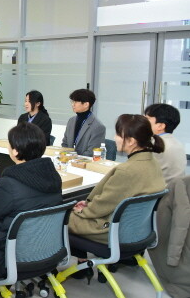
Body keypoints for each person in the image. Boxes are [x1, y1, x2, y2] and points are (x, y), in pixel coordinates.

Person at [68, 114, 166, 277]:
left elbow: (98, 208)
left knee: (62, 217)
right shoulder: (153, 164)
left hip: (112, 232)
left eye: (119, 134)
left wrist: (80, 209)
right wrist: (88, 206)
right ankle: (82, 265)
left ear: (131, 141)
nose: (114, 138)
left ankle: (81, 266)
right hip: (138, 231)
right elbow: (110, 201)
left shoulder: (127, 171)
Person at [0, 122, 62, 278]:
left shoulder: (10, 183)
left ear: (15, 150)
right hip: (47, 251)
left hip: (11, 257)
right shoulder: (54, 177)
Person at [144, 103, 187, 184]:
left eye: (147, 119)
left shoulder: (156, 146)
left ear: (160, 126)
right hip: (174, 192)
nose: (143, 122)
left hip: (158, 194)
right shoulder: (176, 143)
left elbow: (138, 173)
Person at [61, 89, 106, 157]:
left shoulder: (98, 127)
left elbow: (91, 153)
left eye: (75, 102)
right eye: (72, 101)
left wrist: (73, 158)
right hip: (68, 160)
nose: (72, 104)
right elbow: (65, 144)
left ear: (86, 104)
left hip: (84, 163)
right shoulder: (71, 121)